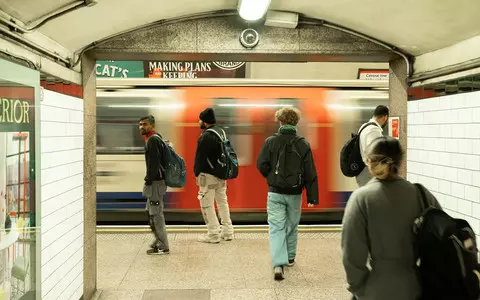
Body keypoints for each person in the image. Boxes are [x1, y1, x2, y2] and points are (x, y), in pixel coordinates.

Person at [341, 136, 442, 300]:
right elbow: (439, 238)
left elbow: (352, 255)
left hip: (377, 289)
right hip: (416, 287)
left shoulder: (362, 198)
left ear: (371, 162)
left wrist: (359, 289)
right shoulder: (421, 195)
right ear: (400, 162)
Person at [256, 107, 319, 280]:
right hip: (295, 193)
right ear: (295, 122)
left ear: (281, 121)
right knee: (292, 226)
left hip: (275, 193)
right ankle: (290, 257)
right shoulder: (303, 143)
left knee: (276, 227)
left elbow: (261, 164)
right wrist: (312, 196)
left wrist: (271, 177)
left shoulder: (270, 141)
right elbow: (310, 172)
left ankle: (278, 264)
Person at [194, 108, 234, 243]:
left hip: (208, 176)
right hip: (221, 174)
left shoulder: (206, 136)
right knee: (222, 202)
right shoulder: (220, 131)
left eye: (200, 119)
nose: (199, 122)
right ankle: (228, 232)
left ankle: (213, 234)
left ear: (205, 122)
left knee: (207, 204)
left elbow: (200, 158)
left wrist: (196, 173)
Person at [139, 115, 170, 255]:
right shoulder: (155, 138)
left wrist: (148, 180)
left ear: (152, 125)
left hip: (155, 183)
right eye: (140, 124)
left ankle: (163, 245)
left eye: (145, 124)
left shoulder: (152, 140)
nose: (141, 127)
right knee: (150, 212)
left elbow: (154, 164)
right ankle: (159, 240)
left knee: (156, 214)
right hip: (157, 182)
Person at [356, 105, 389, 187]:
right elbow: (375, 153)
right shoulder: (374, 130)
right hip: (368, 171)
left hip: (363, 169)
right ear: (385, 117)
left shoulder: (363, 126)